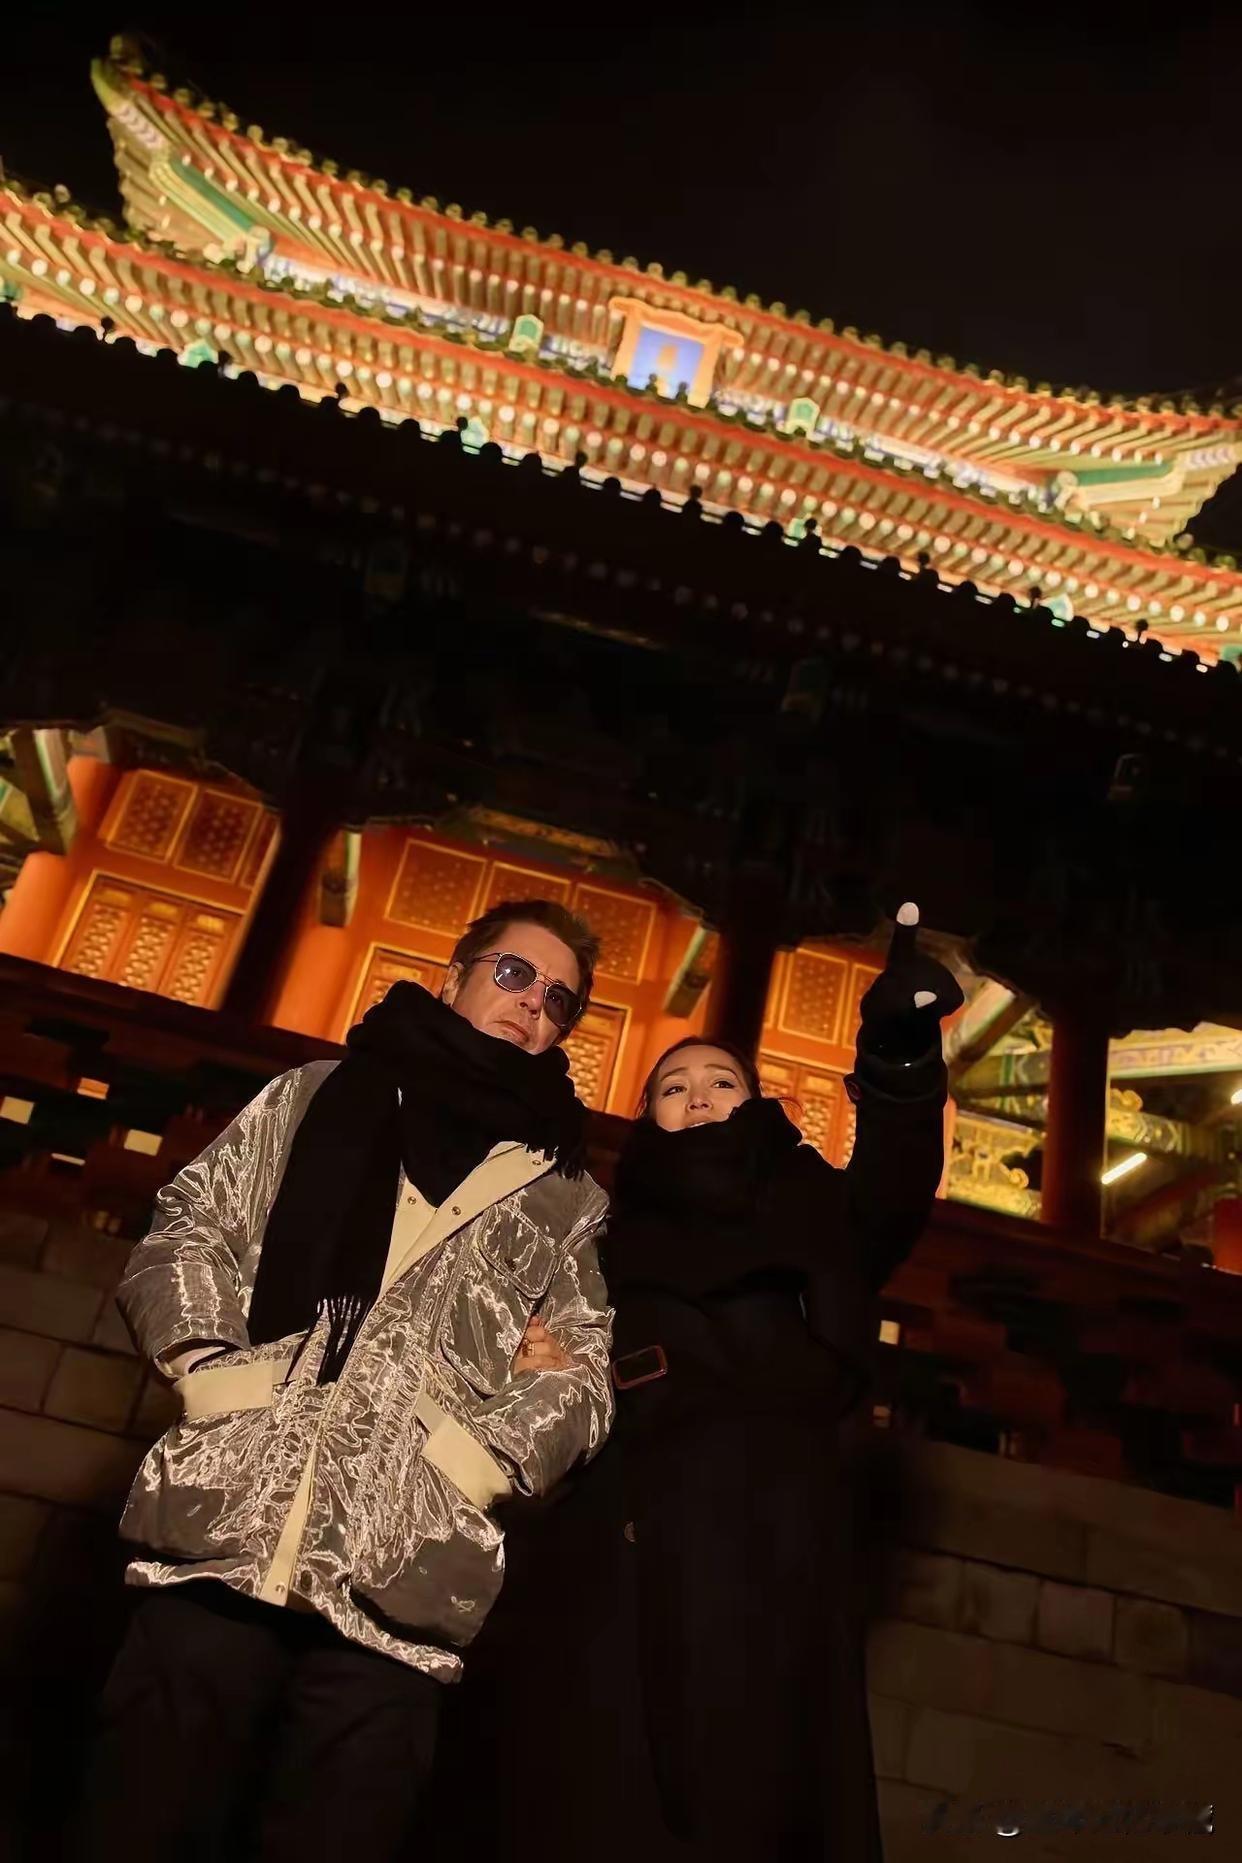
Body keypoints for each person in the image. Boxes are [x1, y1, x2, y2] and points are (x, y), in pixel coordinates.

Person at [77, 899, 613, 1863]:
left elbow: (584, 1373)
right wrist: (211, 1370)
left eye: (560, 999)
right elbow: (191, 1227)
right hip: (225, 1532)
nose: (534, 1002)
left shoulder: (563, 1191)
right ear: (454, 975)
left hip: (405, 1581)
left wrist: (473, 1460)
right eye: (513, 973)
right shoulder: (313, 1094)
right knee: (141, 1823)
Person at [476, 901, 960, 1862]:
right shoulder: (596, 1226)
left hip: (769, 1533)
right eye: (673, 1086)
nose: (696, 1096)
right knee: (596, 1790)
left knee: (750, 1796)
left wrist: (899, 1057)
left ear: (754, 1101)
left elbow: (897, 1181)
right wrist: (536, 1360)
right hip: (621, 1529)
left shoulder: (814, 1202)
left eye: (720, 1080)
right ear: (647, 1115)